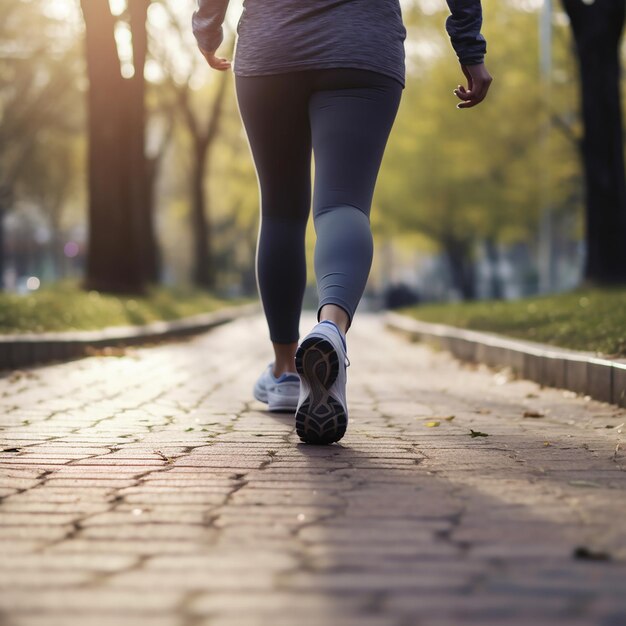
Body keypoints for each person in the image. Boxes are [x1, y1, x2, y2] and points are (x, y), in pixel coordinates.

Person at [193, 0, 492, 445]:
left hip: (272, 46)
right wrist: (470, 49)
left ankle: (285, 371)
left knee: (280, 210)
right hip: (362, 45)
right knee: (342, 206)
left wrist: (208, 28)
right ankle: (331, 328)